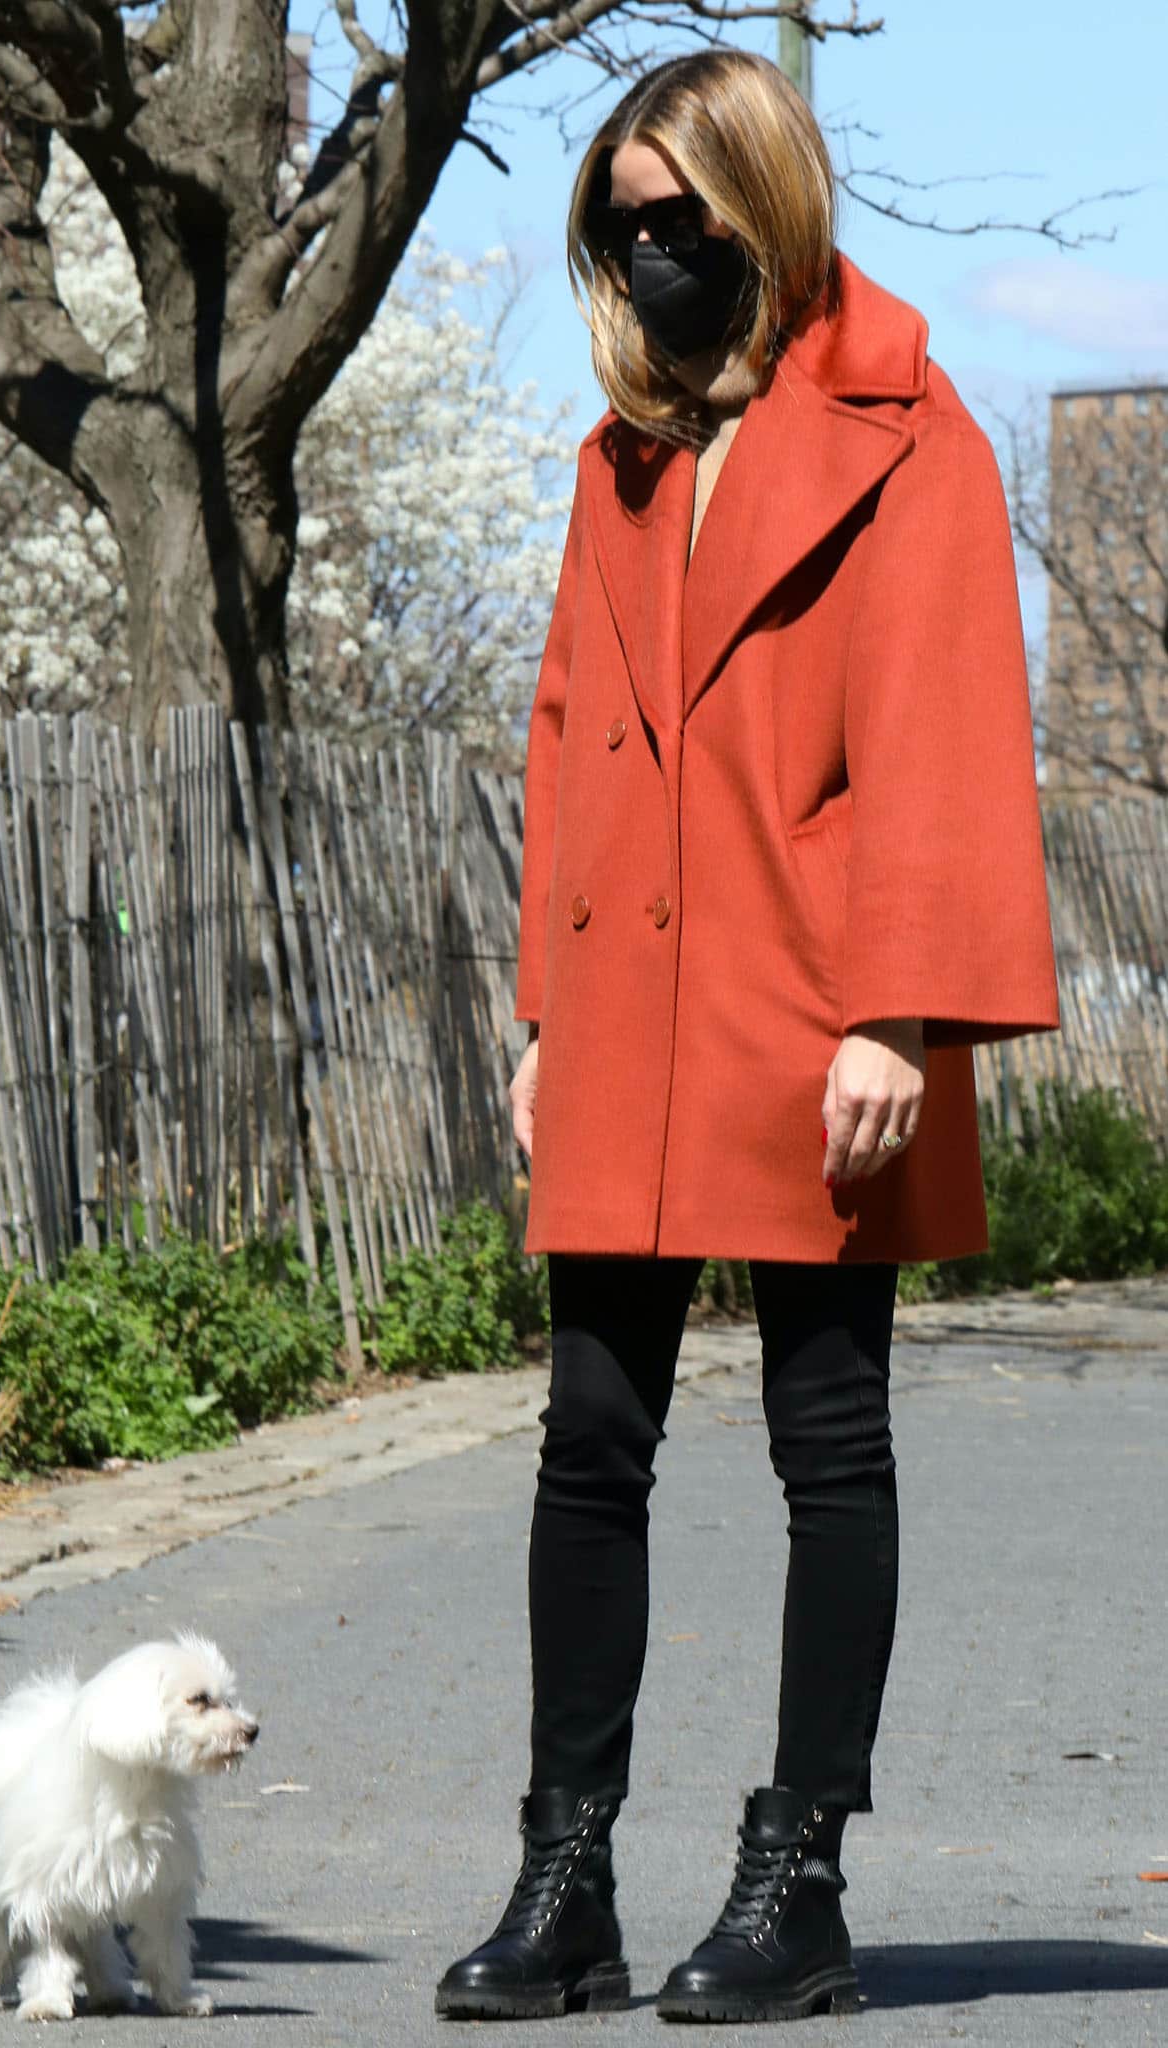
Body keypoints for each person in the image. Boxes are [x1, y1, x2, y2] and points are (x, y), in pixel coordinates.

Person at [434, 46, 1061, 2026]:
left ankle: (801, 1873)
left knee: (826, 1429)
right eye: (622, 225)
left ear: (762, 209)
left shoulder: (909, 432)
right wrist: (544, 1012)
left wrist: (900, 1008)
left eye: (679, 219)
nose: (650, 252)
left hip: (813, 1002)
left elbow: (949, 734)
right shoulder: (619, 461)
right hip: (630, 999)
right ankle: (567, 1874)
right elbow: (561, 744)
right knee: (590, 1434)